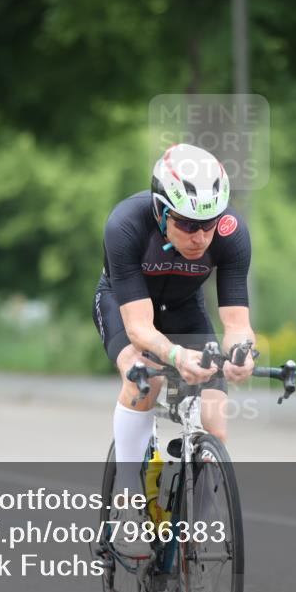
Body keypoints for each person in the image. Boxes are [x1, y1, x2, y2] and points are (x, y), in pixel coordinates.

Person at [92, 143, 256, 558]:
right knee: (140, 373)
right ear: (162, 211)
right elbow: (140, 328)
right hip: (127, 305)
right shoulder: (126, 225)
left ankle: (191, 535)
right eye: (185, 224)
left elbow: (237, 324)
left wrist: (242, 355)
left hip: (184, 310)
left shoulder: (230, 234)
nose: (200, 236)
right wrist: (180, 358)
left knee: (215, 418)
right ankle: (129, 509)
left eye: (208, 223)